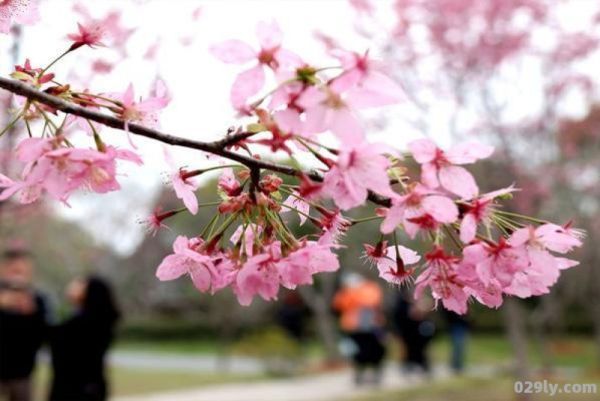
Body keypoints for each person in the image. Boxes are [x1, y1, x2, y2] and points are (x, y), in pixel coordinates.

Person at [49, 276, 120, 401]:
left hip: (77, 390)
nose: (73, 285)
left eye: (80, 283)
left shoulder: (86, 324)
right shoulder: (99, 321)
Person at [0, 248, 49, 401]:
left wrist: (30, 313)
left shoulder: (37, 298)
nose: (17, 271)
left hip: (22, 371)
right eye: (13, 267)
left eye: (22, 267)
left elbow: (43, 333)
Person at [333, 273, 386, 385]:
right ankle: (360, 374)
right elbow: (338, 305)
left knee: (374, 351)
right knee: (358, 353)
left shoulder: (368, 289)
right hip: (354, 327)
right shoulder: (345, 293)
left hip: (370, 326)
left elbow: (372, 301)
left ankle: (373, 374)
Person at [392, 290, 435, 376]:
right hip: (407, 330)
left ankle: (421, 365)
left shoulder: (413, 302)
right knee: (408, 349)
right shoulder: (402, 304)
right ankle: (410, 365)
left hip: (415, 331)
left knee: (418, 348)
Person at [444, 308, 469, 374]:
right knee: (457, 347)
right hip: (456, 326)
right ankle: (456, 365)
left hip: (460, 326)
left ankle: (458, 365)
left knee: (460, 347)